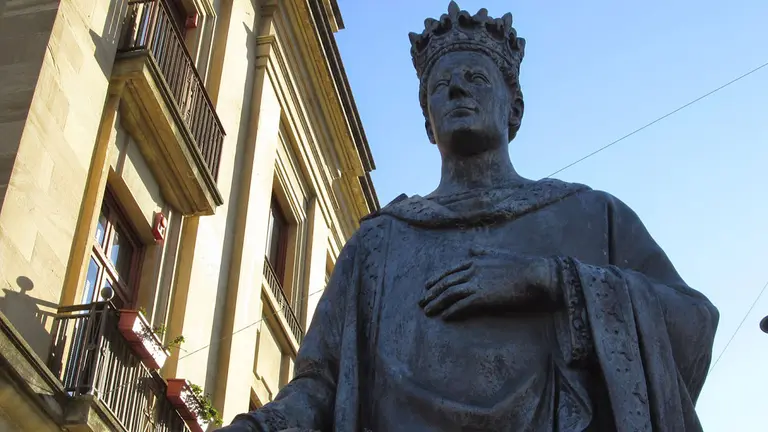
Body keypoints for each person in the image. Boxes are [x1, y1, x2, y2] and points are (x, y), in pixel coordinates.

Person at [220, 3, 718, 431]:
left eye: (475, 78)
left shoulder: (590, 215)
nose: (457, 91)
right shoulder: (377, 245)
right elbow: (319, 388)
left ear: (514, 107)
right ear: (426, 122)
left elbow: (692, 322)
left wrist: (547, 279)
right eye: (442, 85)